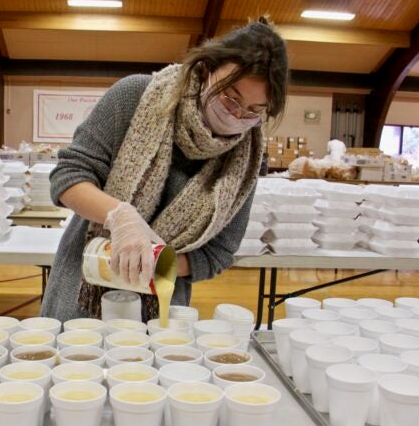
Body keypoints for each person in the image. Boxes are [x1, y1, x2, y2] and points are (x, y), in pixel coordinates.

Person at [41, 17, 289, 321]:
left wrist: (159, 262)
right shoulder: (135, 97)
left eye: (254, 110)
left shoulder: (245, 158)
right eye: (230, 97)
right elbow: (68, 176)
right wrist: (120, 216)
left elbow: (220, 252)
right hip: (85, 279)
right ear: (207, 69)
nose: (236, 115)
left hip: (159, 307)